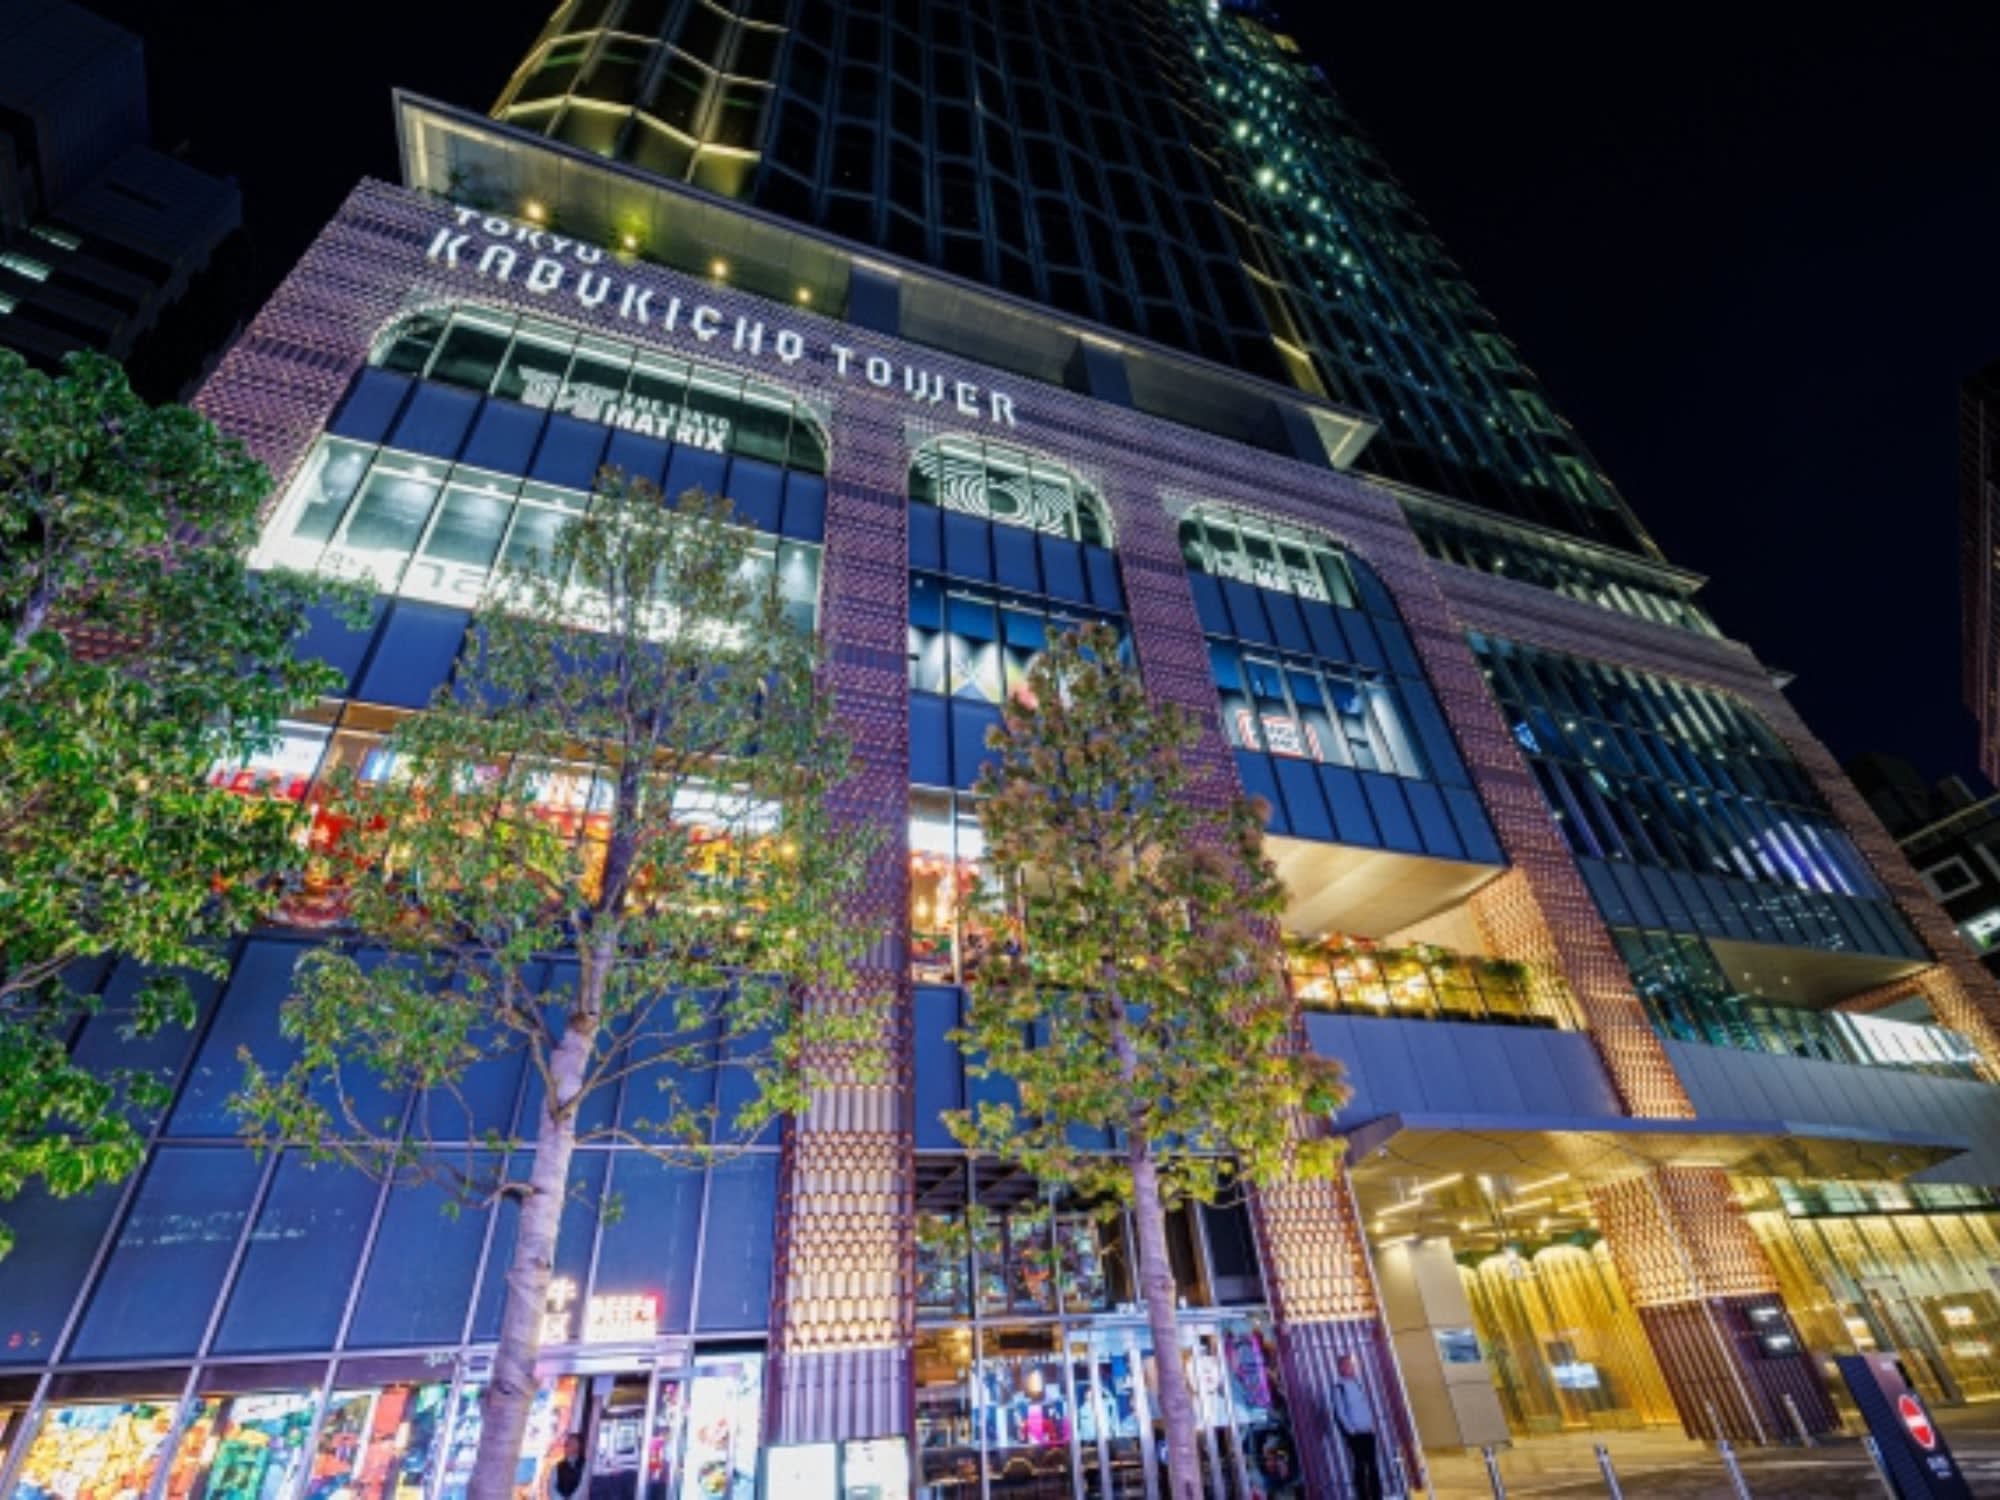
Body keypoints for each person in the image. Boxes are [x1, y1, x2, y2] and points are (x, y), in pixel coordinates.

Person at [1328, 1354, 1382, 1500]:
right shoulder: (1339, 1387)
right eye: (1347, 1365)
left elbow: (1364, 1406)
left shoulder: (1358, 1384)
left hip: (1367, 1431)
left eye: (1352, 1365)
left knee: (1373, 1465)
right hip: (1355, 1434)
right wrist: (1351, 1431)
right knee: (1360, 1465)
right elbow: (1340, 1412)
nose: (1351, 1368)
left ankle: (1377, 1495)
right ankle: (1362, 1496)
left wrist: (1371, 1424)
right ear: (1340, 1368)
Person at [551, 1434, 585, 1500]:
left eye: (570, 1444)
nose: (565, 1446)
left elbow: (582, 1487)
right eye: (567, 1444)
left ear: (578, 1447)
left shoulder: (584, 1465)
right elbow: (551, 1487)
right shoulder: (557, 1466)